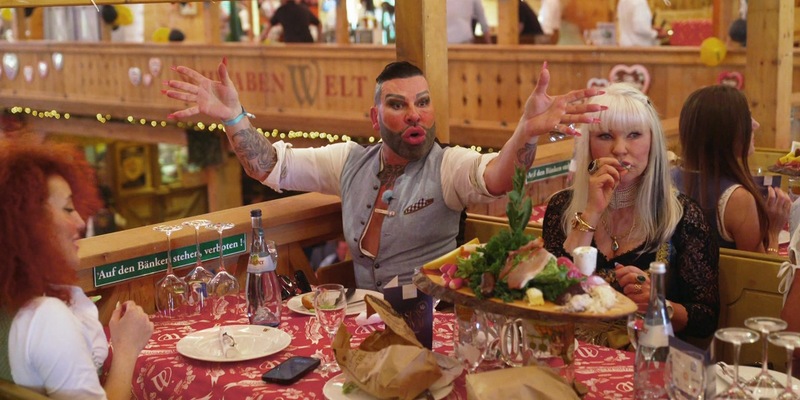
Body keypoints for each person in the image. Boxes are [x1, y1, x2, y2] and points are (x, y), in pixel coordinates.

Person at [163, 59, 603, 291]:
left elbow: (497, 178)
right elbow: (269, 166)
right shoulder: (349, 160)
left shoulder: (448, 165)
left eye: (423, 102)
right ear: (375, 117)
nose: (415, 114)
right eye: (398, 104)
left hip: (432, 325)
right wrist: (234, 118)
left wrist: (525, 131)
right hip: (361, 321)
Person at [542, 83, 719, 344]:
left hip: (647, 357)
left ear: (653, 143)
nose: (620, 149)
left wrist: (659, 304)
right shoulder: (562, 207)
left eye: (634, 134)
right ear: (588, 145)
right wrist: (591, 211)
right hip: (573, 352)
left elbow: (706, 319)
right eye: (605, 136)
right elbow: (550, 295)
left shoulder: (683, 216)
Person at [0, 141, 153, 398]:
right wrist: (127, 349)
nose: (80, 222)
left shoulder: (12, 302)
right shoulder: (46, 317)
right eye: (68, 209)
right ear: (28, 223)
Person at [673, 85, 790, 254]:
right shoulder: (737, 198)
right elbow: (758, 269)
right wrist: (773, 233)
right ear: (725, 132)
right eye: (747, 118)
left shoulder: (666, 178)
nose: (756, 125)